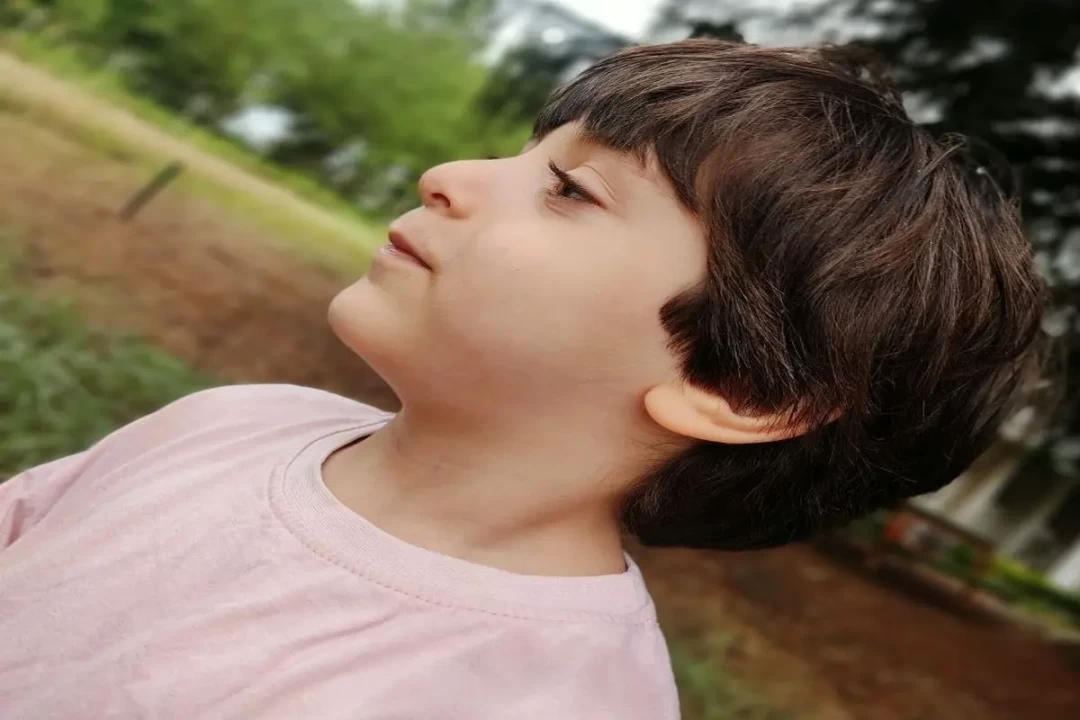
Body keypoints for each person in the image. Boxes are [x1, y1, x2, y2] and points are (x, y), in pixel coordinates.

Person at [0, 40, 1044, 719]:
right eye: (523, 154)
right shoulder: (234, 423)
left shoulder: (554, 699)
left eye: (569, 190)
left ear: (740, 388)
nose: (446, 178)